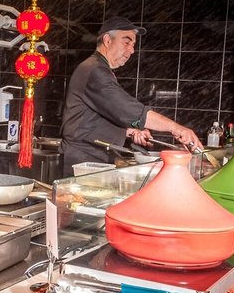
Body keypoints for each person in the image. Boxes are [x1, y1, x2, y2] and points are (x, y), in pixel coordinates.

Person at [60, 16, 204, 176]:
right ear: (107, 40)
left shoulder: (99, 68)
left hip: (93, 158)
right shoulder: (95, 70)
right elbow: (125, 109)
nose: (132, 50)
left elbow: (96, 118)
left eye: (133, 45)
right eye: (126, 42)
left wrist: (130, 131)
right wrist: (175, 128)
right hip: (81, 161)